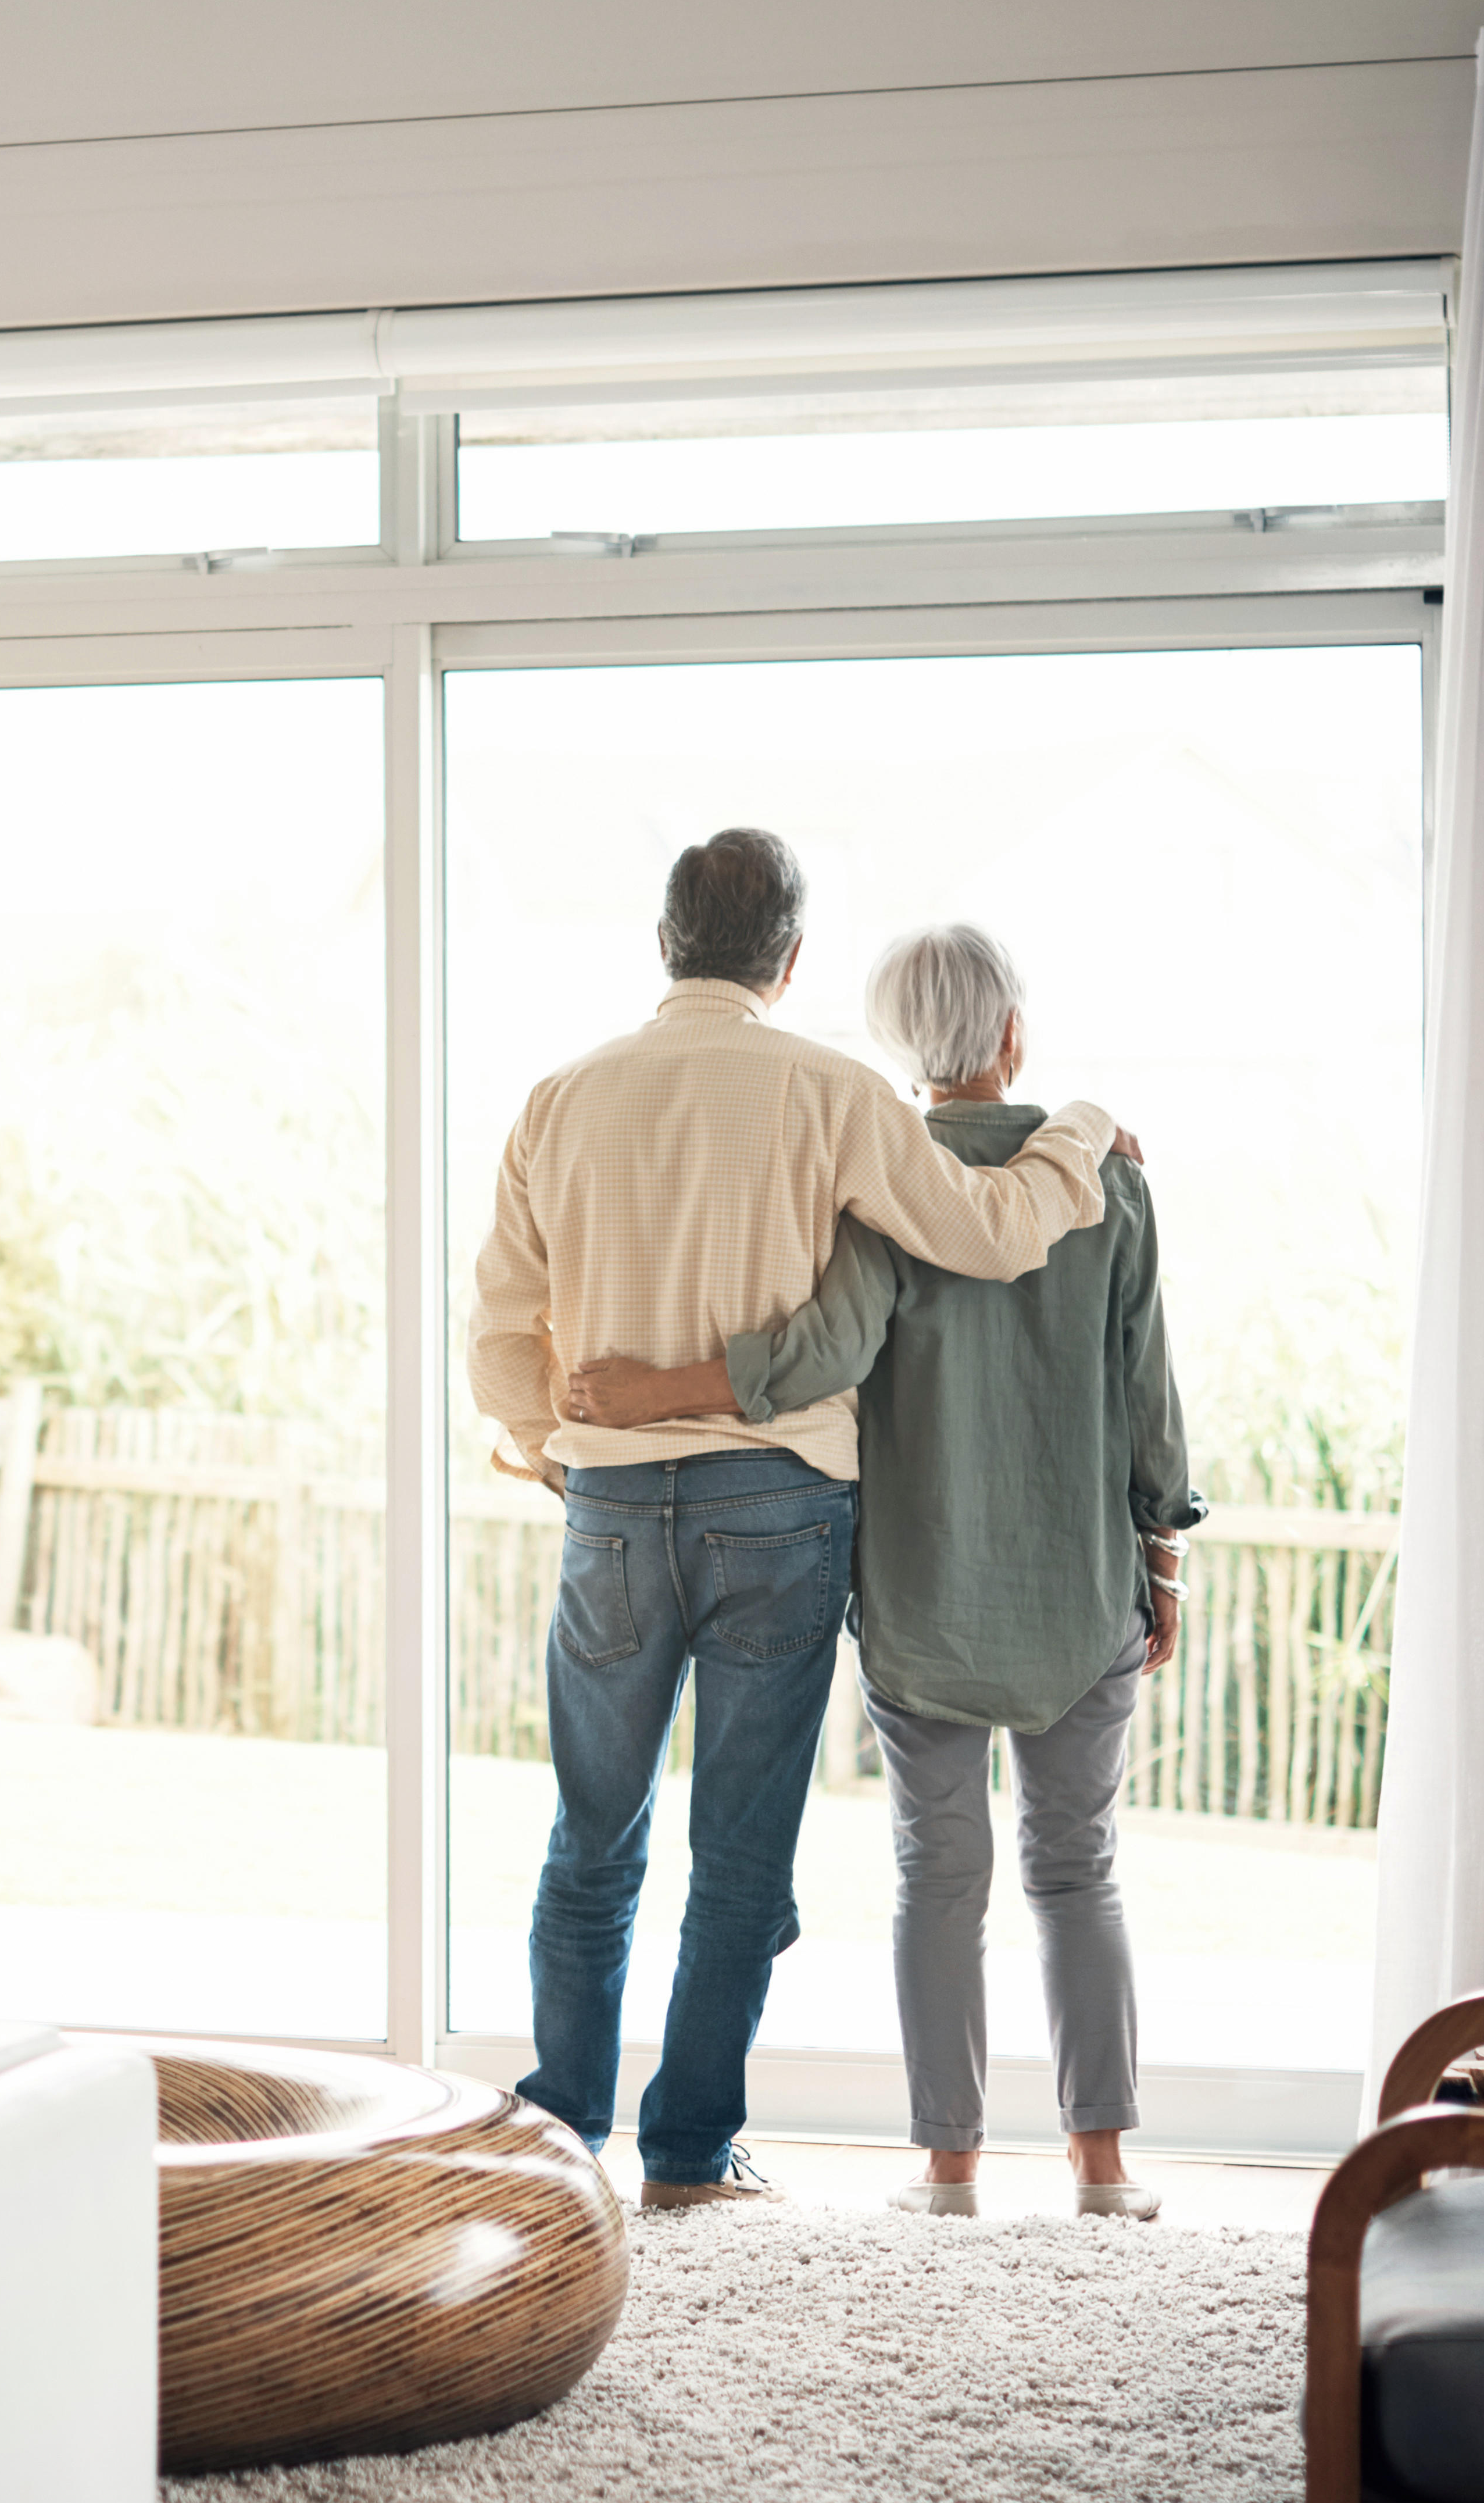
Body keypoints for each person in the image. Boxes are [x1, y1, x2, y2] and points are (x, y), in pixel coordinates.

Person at [467, 839, 1129, 2209]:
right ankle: (692, 2156)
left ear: (665, 943)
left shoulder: (559, 1099)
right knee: (740, 1850)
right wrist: (1078, 1129)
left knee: (592, 1834)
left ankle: (560, 2137)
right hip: (776, 1506)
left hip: (608, 1505)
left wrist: (554, 1454)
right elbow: (994, 1233)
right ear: (791, 958)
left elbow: (498, 1330)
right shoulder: (830, 1091)